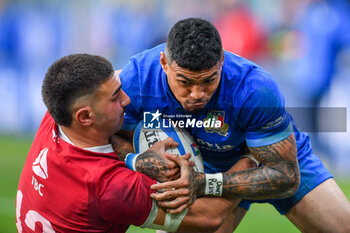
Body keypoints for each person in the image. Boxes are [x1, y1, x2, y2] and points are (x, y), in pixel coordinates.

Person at [118, 18, 350, 232]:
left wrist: (205, 184)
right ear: (164, 64)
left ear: (222, 62)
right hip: (201, 165)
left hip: (266, 159)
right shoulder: (138, 78)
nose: (197, 94)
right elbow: (113, 136)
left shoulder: (254, 88)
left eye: (209, 80)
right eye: (185, 82)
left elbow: (285, 175)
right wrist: (137, 158)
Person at [16, 53, 255, 232]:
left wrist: (135, 159)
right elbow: (210, 218)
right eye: (115, 97)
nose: (127, 99)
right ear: (86, 117)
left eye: (120, 90)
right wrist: (250, 156)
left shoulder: (57, 116)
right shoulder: (109, 187)